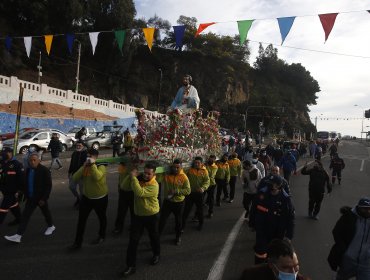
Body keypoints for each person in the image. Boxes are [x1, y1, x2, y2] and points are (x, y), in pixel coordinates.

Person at [4, 152, 55, 243]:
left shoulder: (44, 170)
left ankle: (51, 226)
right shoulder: (28, 170)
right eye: (30, 160)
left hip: (40, 199)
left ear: (39, 160)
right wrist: (20, 192)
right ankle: (18, 236)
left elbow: (48, 186)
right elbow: (25, 184)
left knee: (46, 213)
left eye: (34, 160)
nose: (32, 162)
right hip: (31, 198)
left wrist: (44, 198)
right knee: (25, 216)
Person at [121, 163, 160, 277]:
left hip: (151, 215)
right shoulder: (138, 179)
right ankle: (130, 266)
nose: (146, 175)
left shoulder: (154, 185)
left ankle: (156, 254)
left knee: (154, 236)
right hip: (138, 215)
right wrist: (130, 175)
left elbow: (139, 192)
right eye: (145, 172)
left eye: (149, 173)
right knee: (133, 241)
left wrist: (134, 178)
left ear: (154, 174)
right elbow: (123, 187)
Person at [249, 174, 295, 264]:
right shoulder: (261, 194)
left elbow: (291, 219)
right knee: (260, 253)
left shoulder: (286, 200)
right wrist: (252, 224)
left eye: (272, 183)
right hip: (262, 230)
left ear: (278, 185)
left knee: (274, 255)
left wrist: (289, 235)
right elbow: (253, 209)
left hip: (277, 233)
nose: (269, 185)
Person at [69, 148, 108, 249]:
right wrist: (84, 167)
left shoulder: (101, 166)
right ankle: (77, 243)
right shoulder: (85, 165)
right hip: (87, 198)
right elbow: (75, 177)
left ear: (95, 157)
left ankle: (102, 235)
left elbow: (97, 177)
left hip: (100, 198)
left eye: (90, 156)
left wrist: (93, 165)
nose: (88, 158)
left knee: (102, 217)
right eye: (87, 156)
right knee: (81, 220)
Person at [328, 197, 370, 280]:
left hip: (366, 263)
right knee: (341, 278)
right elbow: (336, 231)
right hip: (349, 260)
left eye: (369, 209)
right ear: (359, 208)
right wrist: (343, 248)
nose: (368, 211)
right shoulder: (349, 217)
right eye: (365, 209)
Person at [240, 238, 311, 280]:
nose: (293, 273)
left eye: (296, 266)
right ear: (271, 264)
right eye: (286, 267)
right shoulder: (250, 276)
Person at [159, 159, 190, 245]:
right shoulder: (167, 175)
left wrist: (176, 191)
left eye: (177, 167)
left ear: (181, 167)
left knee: (178, 221)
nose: (175, 169)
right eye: (174, 167)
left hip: (179, 203)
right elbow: (158, 178)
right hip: (168, 202)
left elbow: (188, 191)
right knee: (162, 220)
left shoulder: (184, 177)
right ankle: (157, 237)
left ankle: (178, 236)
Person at [182, 157, 210, 231]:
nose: (196, 164)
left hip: (199, 194)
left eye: (198, 163)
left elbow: (207, 181)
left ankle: (201, 224)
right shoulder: (189, 170)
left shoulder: (205, 171)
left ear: (201, 163)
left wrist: (203, 188)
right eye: (195, 163)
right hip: (190, 193)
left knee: (200, 210)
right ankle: (182, 226)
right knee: (186, 210)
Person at [0, 147, 24, 226]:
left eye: (5, 154)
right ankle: (19, 219)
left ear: (11, 153)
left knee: (3, 209)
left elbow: (21, 179)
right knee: (13, 205)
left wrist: (20, 191)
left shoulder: (17, 164)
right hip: (4, 189)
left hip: (12, 191)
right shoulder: (3, 162)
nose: (3, 155)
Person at [112, 161, 134, 235]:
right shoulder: (121, 166)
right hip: (123, 192)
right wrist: (119, 185)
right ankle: (118, 227)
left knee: (133, 211)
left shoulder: (133, 166)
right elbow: (120, 176)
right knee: (121, 211)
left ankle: (133, 226)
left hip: (132, 192)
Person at [68, 141, 87, 208]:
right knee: (71, 187)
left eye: (80, 145)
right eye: (77, 145)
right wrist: (69, 172)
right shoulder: (74, 153)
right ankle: (78, 198)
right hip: (74, 173)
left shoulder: (86, 153)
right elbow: (72, 163)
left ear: (83, 146)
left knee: (82, 190)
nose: (78, 147)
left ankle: (81, 203)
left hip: (82, 175)